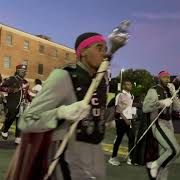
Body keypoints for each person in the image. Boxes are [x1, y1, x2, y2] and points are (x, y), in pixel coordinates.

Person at [9, 32, 113, 180]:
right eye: (99, 48)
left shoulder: (101, 82)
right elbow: (27, 121)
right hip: (68, 156)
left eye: (105, 49)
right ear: (83, 51)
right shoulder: (64, 76)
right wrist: (61, 112)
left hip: (96, 155)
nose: (104, 54)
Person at [143, 70, 180, 180]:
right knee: (174, 150)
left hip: (169, 124)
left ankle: (161, 177)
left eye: (168, 77)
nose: (167, 79)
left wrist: (175, 93)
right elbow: (145, 108)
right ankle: (154, 165)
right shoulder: (153, 90)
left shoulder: (170, 91)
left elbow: (177, 108)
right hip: (158, 122)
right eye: (164, 77)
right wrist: (161, 103)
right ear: (159, 78)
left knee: (166, 155)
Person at [0, 64, 31, 143]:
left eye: (25, 71)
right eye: (22, 71)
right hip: (12, 103)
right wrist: (11, 90)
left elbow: (26, 93)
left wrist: (30, 100)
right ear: (17, 71)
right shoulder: (11, 79)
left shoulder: (26, 82)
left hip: (22, 104)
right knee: (11, 117)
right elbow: (1, 87)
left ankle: (18, 136)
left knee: (20, 119)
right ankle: (5, 130)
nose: (24, 73)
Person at [108, 80, 135, 166]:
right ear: (123, 86)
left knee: (132, 137)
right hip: (121, 120)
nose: (129, 85)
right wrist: (125, 119)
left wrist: (132, 116)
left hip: (129, 120)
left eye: (130, 84)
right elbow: (118, 109)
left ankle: (130, 158)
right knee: (119, 138)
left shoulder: (132, 96)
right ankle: (113, 157)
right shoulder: (120, 95)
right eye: (127, 84)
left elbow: (129, 108)